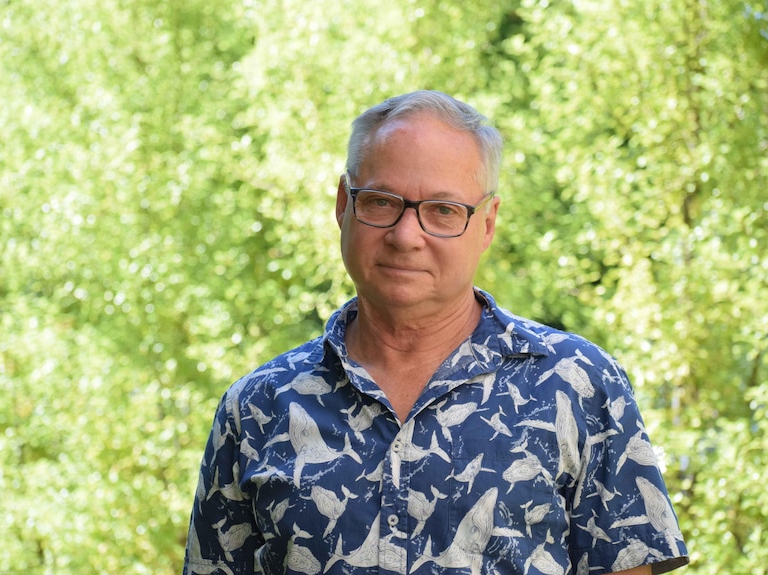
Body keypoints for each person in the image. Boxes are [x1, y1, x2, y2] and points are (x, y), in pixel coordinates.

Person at [182, 90, 690, 575]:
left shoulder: (580, 386)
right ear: (343, 204)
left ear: (487, 223)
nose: (406, 236)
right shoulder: (257, 409)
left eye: (443, 211)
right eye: (382, 201)